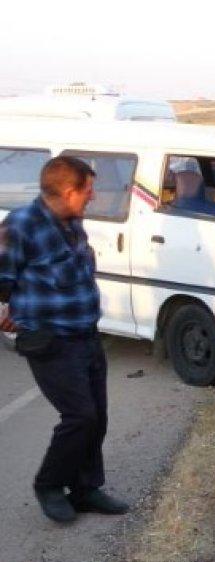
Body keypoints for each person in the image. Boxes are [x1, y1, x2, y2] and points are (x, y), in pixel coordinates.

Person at [0, 156, 129, 523]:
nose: (92, 197)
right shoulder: (21, 225)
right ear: (69, 191)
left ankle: (86, 489)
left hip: (86, 333)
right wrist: (9, 309)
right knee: (79, 416)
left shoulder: (73, 222)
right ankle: (49, 485)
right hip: (51, 340)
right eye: (88, 191)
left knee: (97, 417)